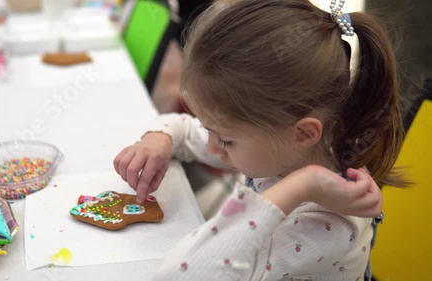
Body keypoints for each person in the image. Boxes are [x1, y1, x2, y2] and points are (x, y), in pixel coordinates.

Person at [114, 0, 405, 279]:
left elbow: (185, 273)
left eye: (226, 141)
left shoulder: (325, 225)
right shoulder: (289, 147)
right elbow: (185, 129)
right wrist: (158, 140)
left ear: (303, 133)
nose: (212, 147)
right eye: (211, 130)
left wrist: (302, 186)